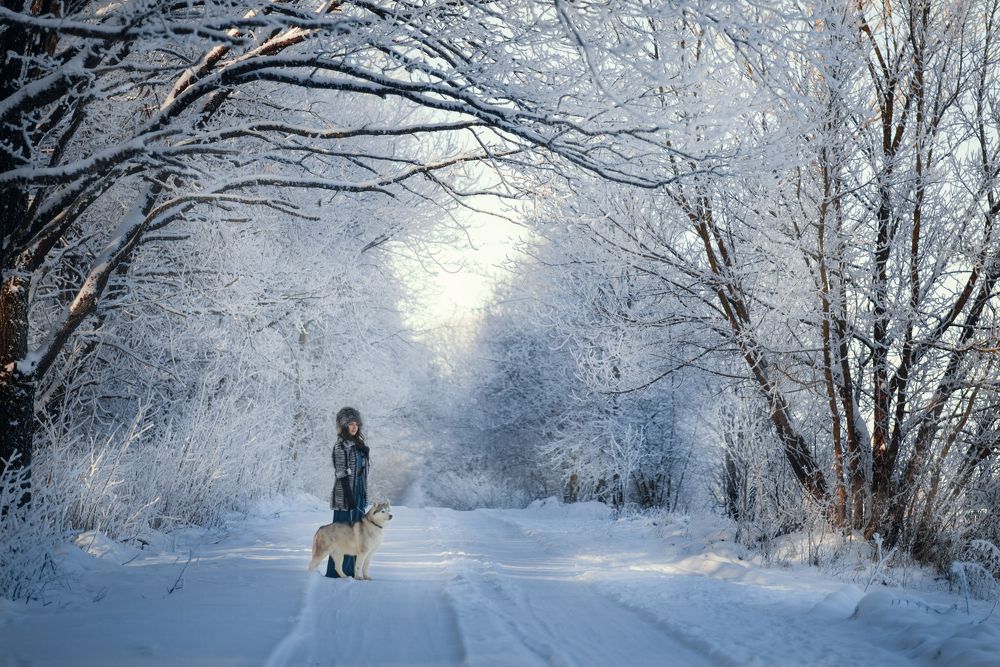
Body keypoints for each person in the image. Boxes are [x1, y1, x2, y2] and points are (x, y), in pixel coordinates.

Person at [325, 406, 370, 578]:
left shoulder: (359, 447)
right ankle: (336, 572)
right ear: (343, 426)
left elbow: (362, 474)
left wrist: (364, 453)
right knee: (341, 536)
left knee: (357, 535)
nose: (354, 427)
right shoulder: (340, 446)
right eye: (350, 424)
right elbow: (341, 473)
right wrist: (349, 497)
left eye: (356, 424)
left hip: (358, 495)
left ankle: (352, 571)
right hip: (345, 498)